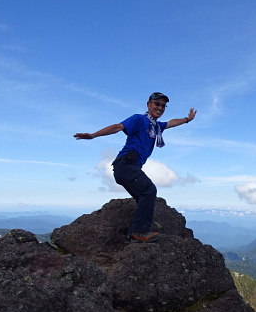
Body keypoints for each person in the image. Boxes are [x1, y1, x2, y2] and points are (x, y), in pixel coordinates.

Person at [74, 92, 197, 242]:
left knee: (144, 197)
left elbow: (171, 123)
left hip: (132, 167)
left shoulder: (157, 126)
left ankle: (133, 235)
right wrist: (94, 135)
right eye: (157, 104)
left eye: (163, 106)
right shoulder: (139, 119)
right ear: (149, 104)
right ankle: (139, 232)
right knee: (149, 191)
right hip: (125, 165)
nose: (160, 107)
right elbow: (118, 127)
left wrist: (187, 119)